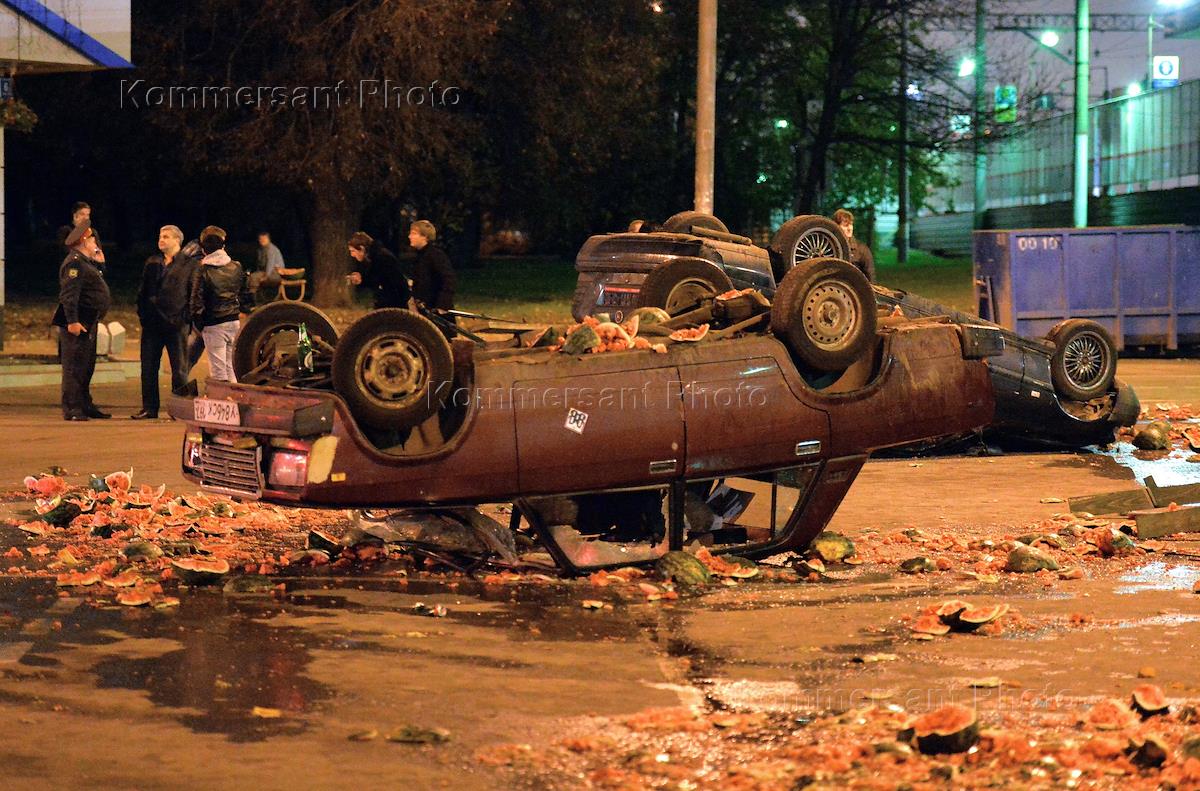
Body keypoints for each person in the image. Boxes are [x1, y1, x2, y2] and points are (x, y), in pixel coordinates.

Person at [133, 225, 197, 419]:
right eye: (160, 236)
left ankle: (180, 409)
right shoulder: (153, 262)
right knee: (148, 368)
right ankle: (149, 408)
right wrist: (143, 315)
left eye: (166, 236)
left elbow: (194, 294)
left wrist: (185, 319)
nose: (161, 239)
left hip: (176, 325)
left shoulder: (189, 265)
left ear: (177, 240)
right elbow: (142, 292)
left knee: (179, 369)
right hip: (152, 324)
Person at [52, 220, 111, 421]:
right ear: (84, 241)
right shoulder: (75, 263)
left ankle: (85, 404)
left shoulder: (86, 261)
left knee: (86, 365)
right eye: (92, 239)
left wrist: (100, 263)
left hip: (88, 320)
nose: (95, 243)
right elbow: (69, 295)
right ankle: (72, 408)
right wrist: (72, 321)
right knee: (74, 367)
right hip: (78, 321)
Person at [189, 226, 253, 383]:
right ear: (223, 246)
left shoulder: (202, 270)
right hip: (233, 321)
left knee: (218, 371)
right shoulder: (236, 266)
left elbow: (196, 301)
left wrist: (199, 324)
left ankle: (223, 397)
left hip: (213, 324)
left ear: (203, 249)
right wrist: (242, 309)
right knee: (231, 367)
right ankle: (234, 396)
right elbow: (245, 292)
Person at [346, 231, 411, 308]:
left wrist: (362, 279)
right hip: (389, 301)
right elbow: (375, 277)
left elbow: (385, 281)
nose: (352, 255)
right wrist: (361, 279)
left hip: (394, 302)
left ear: (362, 248)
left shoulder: (381, 258)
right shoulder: (375, 257)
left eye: (353, 251)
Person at [408, 220, 456, 310]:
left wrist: (443, 305)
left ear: (425, 237)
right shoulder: (419, 257)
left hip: (435, 309)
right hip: (424, 308)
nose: (409, 236)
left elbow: (448, 279)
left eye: (414, 234)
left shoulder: (435, 255)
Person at [833, 208, 875, 283]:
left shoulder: (862, 250)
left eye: (851, 225)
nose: (849, 228)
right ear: (836, 226)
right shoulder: (829, 247)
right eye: (845, 225)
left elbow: (870, 277)